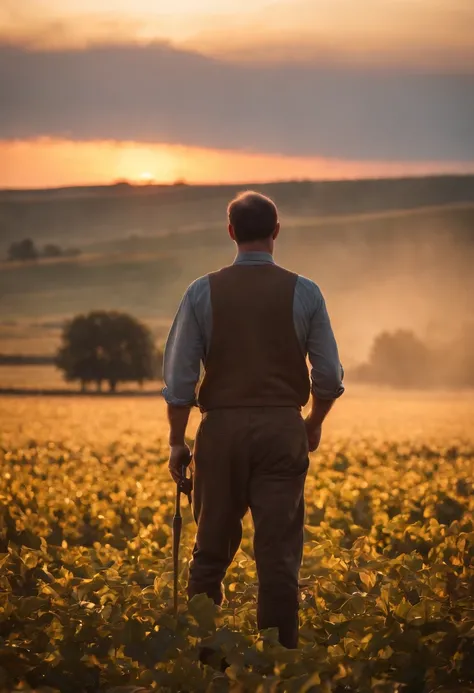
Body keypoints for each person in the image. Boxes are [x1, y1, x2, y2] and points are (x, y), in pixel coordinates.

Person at [163, 191, 344, 649]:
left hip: (220, 432)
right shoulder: (306, 291)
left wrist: (177, 441)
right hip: (284, 428)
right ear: (276, 232)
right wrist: (313, 422)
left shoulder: (201, 291)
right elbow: (327, 375)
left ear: (231, 233)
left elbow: (180, 379)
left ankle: (206, 660)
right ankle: (280, 664)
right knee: (279, 558)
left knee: (209, 552)